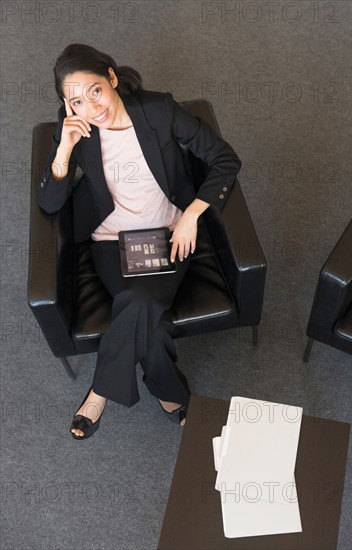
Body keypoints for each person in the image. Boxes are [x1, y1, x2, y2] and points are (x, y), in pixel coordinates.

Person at [38, 43, 242, 440]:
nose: (91, 107)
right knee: (150, 317)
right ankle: (171, 393)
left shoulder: (157, 110)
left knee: (143, 302)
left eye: (95, 91)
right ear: (66, 106)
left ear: (112, 78)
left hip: (168, 233)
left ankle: (100, 390)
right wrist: (63, 152)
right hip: (109, 242)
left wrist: (192, 215)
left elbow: (225, 159)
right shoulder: (77, 132)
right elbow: (49, 202)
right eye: (75, 101)